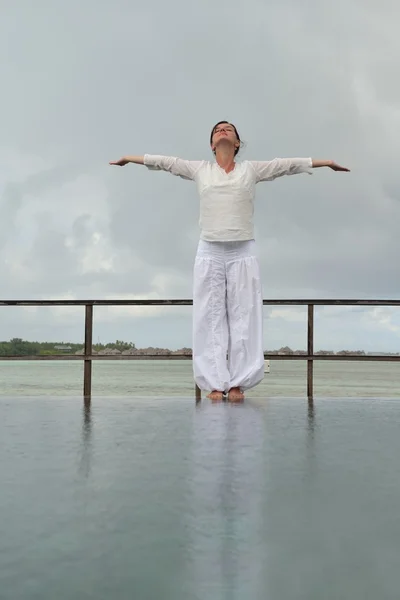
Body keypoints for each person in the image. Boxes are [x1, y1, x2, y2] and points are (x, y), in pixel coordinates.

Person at [109, 121, 349, 402]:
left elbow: (286, 165)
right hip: (209, 250)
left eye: (228, 129)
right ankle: (213, 382)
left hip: (243, 251)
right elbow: (166, 163)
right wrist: (129, 159)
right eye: (217, 130)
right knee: (209, 317)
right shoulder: (200, 170)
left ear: (237, 143)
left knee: (244, 316)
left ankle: (237, 383)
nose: (222, 130)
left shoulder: (251, 170)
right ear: (212, 144)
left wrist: (326, 163)